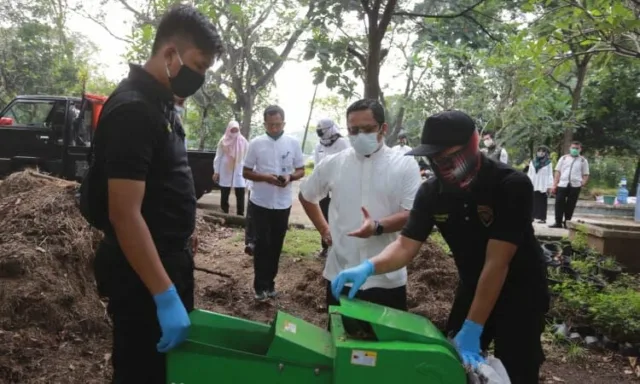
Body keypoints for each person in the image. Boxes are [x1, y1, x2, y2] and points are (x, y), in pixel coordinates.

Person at [331, 110, 549, 384]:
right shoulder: (432, 193)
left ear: (472, 145)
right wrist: (370, 266)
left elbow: (497, 263)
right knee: (452, 364)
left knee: (517, 367)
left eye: (448, 157)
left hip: (520, 292)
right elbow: (404, 246)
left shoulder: (510, 185)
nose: (441, 166)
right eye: (434, 159)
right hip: (472, 285)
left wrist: (474, 327)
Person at [88, 5, 223, 383]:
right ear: (169, 55)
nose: (199, 78)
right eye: (198, 66)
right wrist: (164, 295)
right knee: (141, 371)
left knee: (164, 372)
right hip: (142, 279)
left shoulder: (162, 105)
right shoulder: (133, 110)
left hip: (166, 264)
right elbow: (125, 214)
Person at [300, 99, 422, 315]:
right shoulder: (334, 163)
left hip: (386, 279)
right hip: (341, 274)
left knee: (384, 346)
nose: (359, 136)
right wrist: (324, 230)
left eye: (367, 129)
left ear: (383, 128)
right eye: (353, 130)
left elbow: (413, 214)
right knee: (342, 343)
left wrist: (377, 226)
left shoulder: (404, 164)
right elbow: (306, 195)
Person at [243, 105, 305, 301]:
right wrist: (265, 177)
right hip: (260, 202)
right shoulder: (256, 143)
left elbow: (301, 170)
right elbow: (246, 171)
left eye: (278, 124)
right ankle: (259, 286)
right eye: (271, 125)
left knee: (276, 244)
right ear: (265, 124)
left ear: (284, 123)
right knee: (262, 244)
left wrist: (289, 177)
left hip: (282, 203)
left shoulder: (293, 143)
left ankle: (270, 283)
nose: (275, 129)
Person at [312, 118, 350, 258]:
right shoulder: (319, 146)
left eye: (322, 129)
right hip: (323, 189)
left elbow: (347, 164)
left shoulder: (343, 143)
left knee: (337, 218)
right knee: (324, 216)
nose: (320, 132)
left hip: (339, 188)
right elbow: (317, 166)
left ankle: (339, 248)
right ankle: (325, 247)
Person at [550, 141, 590, 228]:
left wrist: (582, 183)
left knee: (571, 205)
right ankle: (558, 222)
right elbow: (558, 171)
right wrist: (554, 184)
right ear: (570, 148)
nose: (575, 150)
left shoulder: (583, 161)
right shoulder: (564, 158)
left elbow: (586, 174)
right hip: (562, 184)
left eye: (577, 148)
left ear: (580, 149)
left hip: (575, 185)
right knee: (559, 203)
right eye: (573, 148)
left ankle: (567, 223)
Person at [213, 121, 249, 216]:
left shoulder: (243, 141)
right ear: (229, 129)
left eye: (236, 129)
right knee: (224, 193)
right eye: (232, 130)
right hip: (225, 170)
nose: (234, 131)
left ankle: (240, 215)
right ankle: (224, 213)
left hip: (239, 169)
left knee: (240, 193)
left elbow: (247, 156)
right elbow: (218, 156)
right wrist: (216, 171)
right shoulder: (223, 140)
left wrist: (247, 170)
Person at [527, 145, 554, 224]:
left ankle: (542, 218)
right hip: (533, 184)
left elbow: (550, 174)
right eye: (539, 151)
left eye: (543, 151)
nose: (541, 153)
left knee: (542, 202)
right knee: (532, 201)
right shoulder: (532, 162)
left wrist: (550, 186)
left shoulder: (548, 163)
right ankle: (531, 216)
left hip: (543, 185)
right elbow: (530, 173)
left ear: (546, 153)